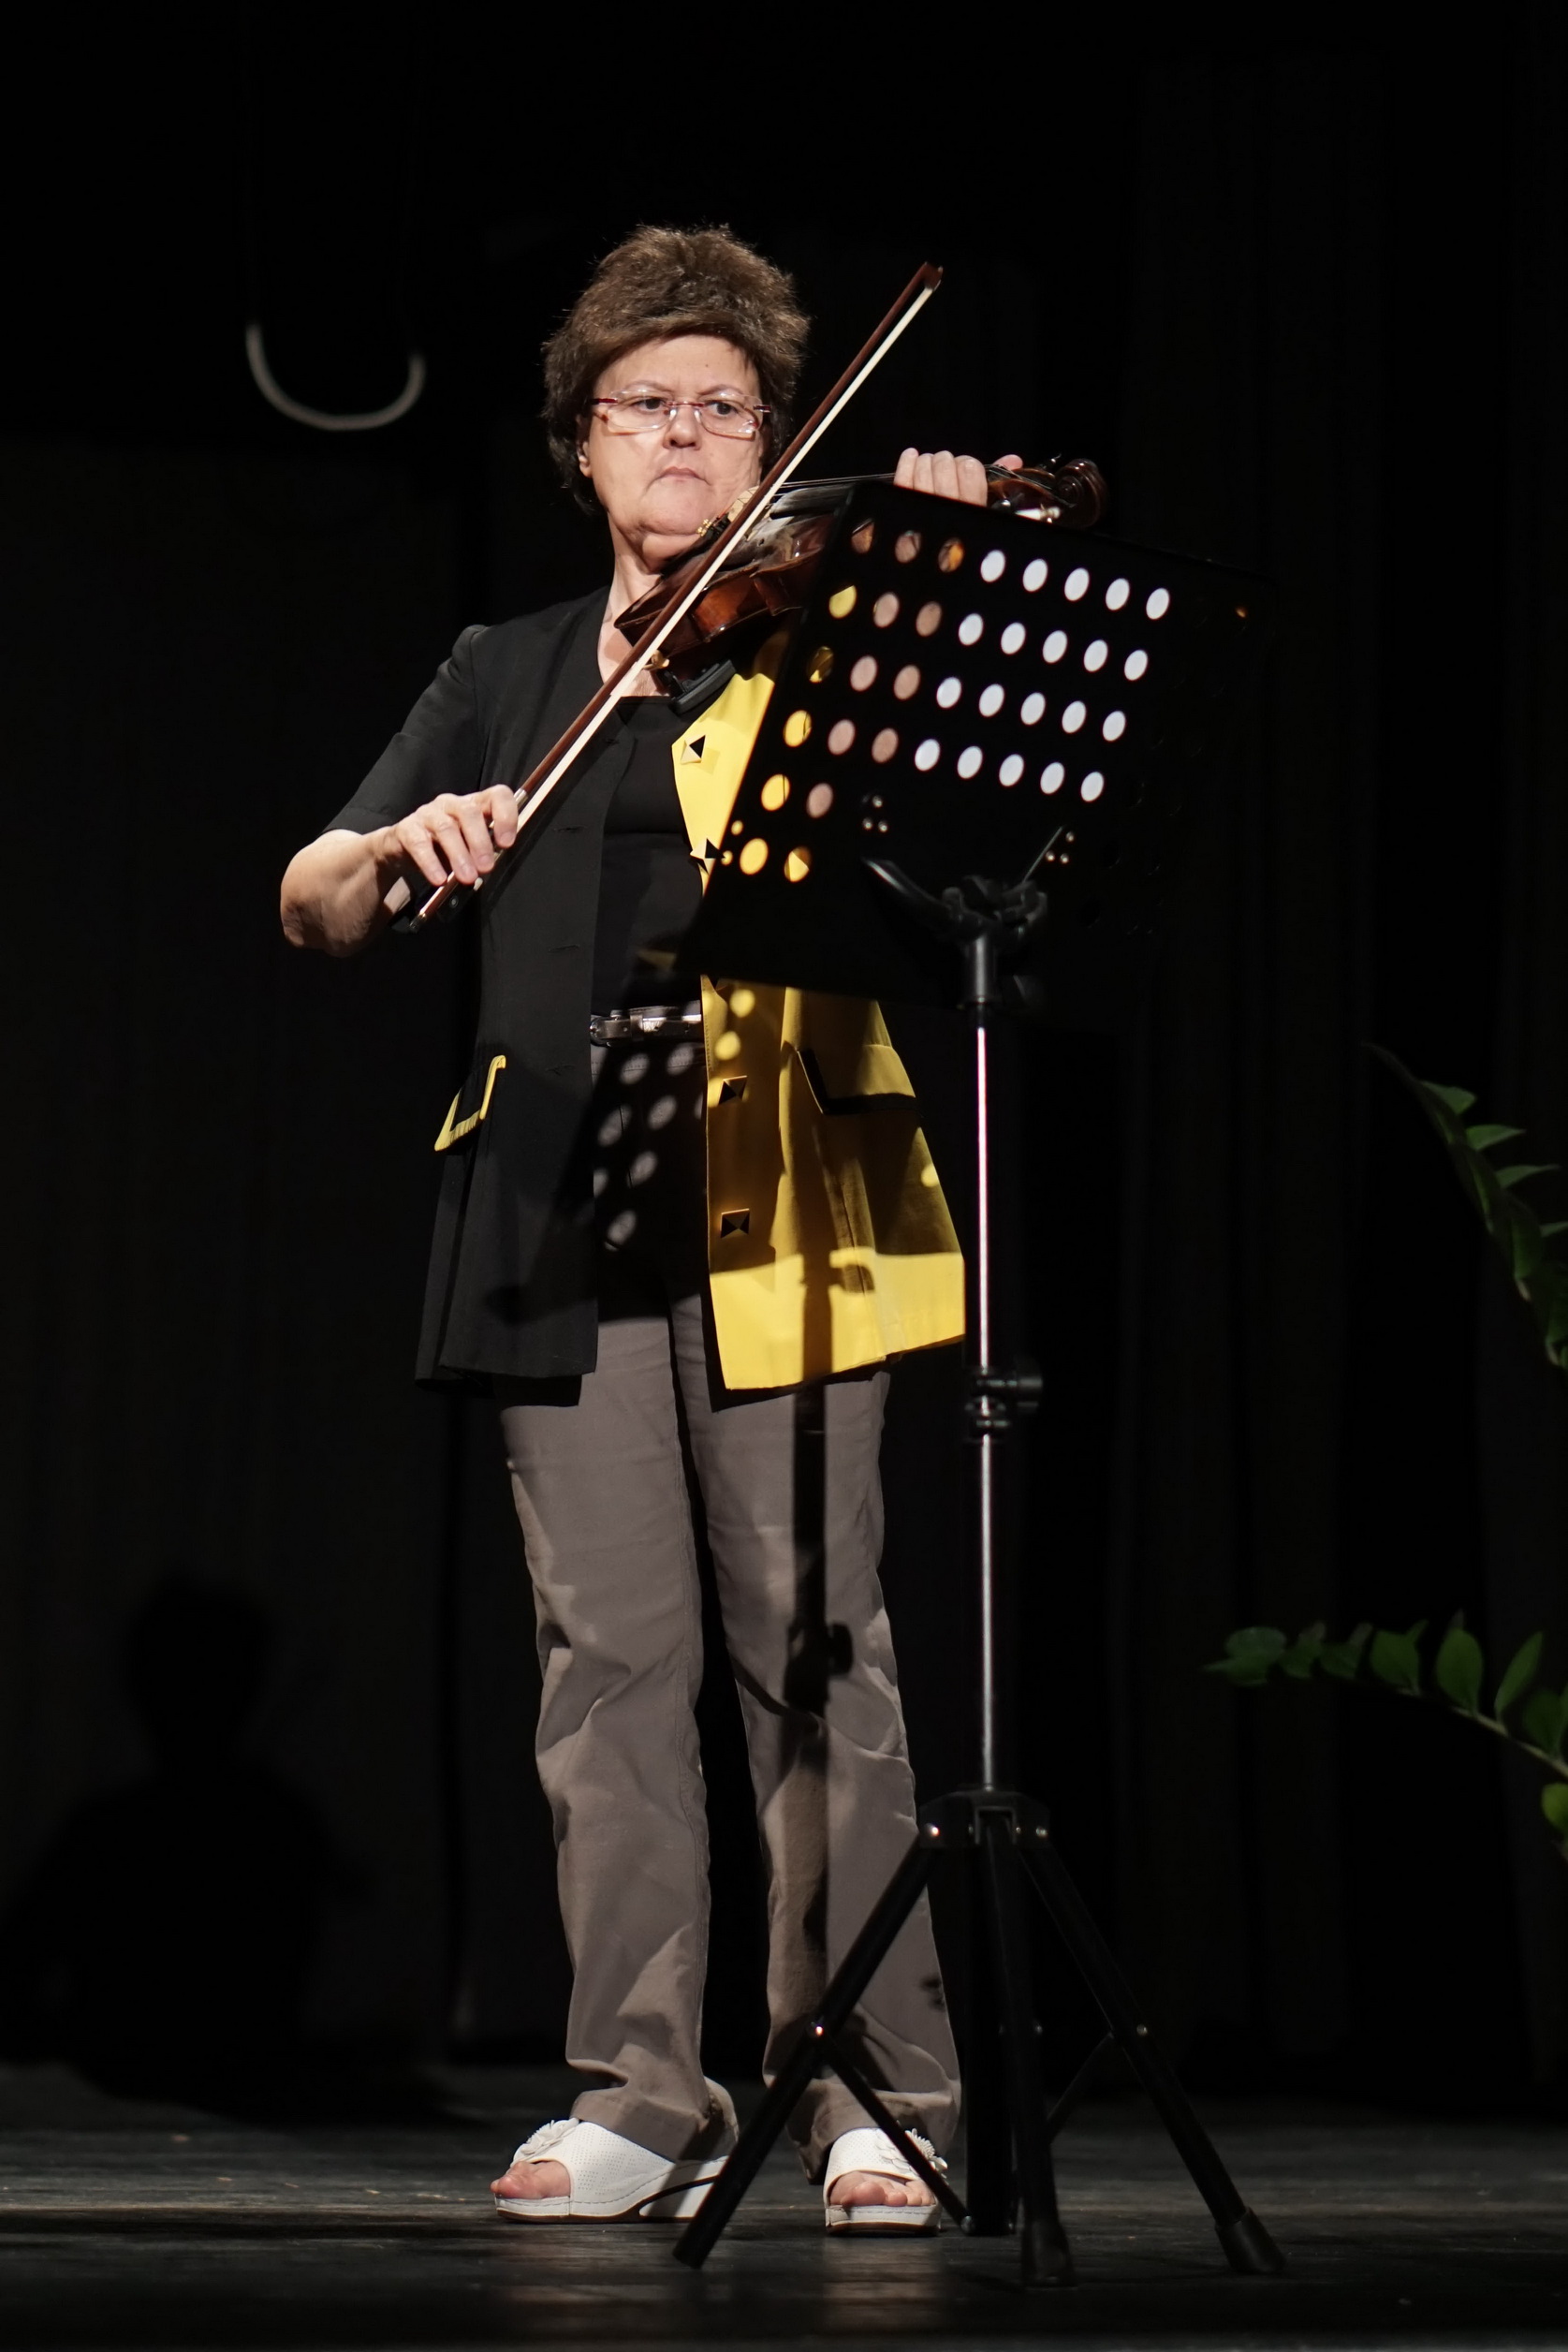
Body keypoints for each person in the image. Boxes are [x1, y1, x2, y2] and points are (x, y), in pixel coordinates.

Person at [280, 226, 1008, 2231]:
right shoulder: (506, 670)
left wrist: (937, 577)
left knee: (818, 1649)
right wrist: (395, 842)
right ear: (582, 441)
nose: (683, 435)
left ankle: (872, 2088)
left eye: (725, 409)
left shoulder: (826, 636)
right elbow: (313, 894)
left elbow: (964, 841)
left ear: (775, 446)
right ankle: (639, 2085)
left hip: (793, 1181)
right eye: (645, 405)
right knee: (604, 1659)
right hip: (549, 1196)